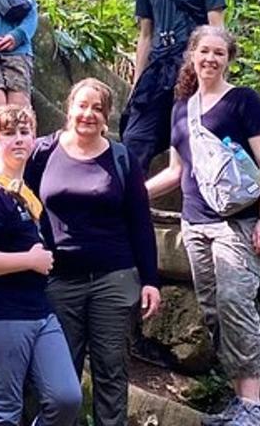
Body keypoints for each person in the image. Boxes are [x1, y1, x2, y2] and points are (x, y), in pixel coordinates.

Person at [145, 26, 260, 426]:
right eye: (204, 51)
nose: (210, 59)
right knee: (213, 310)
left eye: (219, 53)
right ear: (192, 54)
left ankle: (253, 406)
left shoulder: (244, 101)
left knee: (235, 302)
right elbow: (175, 171)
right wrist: (131, 195)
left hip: (239, 223)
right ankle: (239, 402)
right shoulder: (181, 108)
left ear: (228, 59)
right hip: (195, 223)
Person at [24, 78, 162, 426]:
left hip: (114, 280)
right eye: (82, 106)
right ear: (68, 108)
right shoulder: (43, 152)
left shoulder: (121, 158)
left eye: (97, 108)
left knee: (111, 370)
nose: (88, 114)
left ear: (107, 116)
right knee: (59, 377)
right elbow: (9, 187)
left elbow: (140, 223)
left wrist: (150, 280)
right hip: (58, 280)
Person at [0, 105, 83, 426]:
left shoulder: (24, 192)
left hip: (38, 312)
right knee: (3, 414)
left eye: (24, 133)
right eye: (9, 133)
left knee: (66, 398)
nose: (18, 140)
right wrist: (28, 260)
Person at [121, 0, 225, 172]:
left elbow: (217, 30)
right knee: (135, 138)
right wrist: (137, 83)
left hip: (192, 67)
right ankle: (132, 201)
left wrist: (217, 79)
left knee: (191, 137)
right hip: (157, 71)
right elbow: (145, 35)